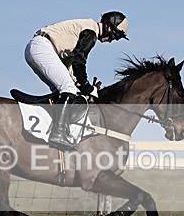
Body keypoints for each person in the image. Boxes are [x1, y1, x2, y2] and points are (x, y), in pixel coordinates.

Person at [25, 11, 129, 150]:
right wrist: (86, 87)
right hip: (42, 48)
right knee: (68, 89)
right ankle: (58, 133)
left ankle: (51, 126)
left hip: (40, 48)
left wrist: (83, 87)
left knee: (65, 90)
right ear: (110, 27)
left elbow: (72, 69)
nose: (112, 40)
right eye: (114, 36)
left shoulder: (85, 30)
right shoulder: (90, 33)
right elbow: (79, 61)